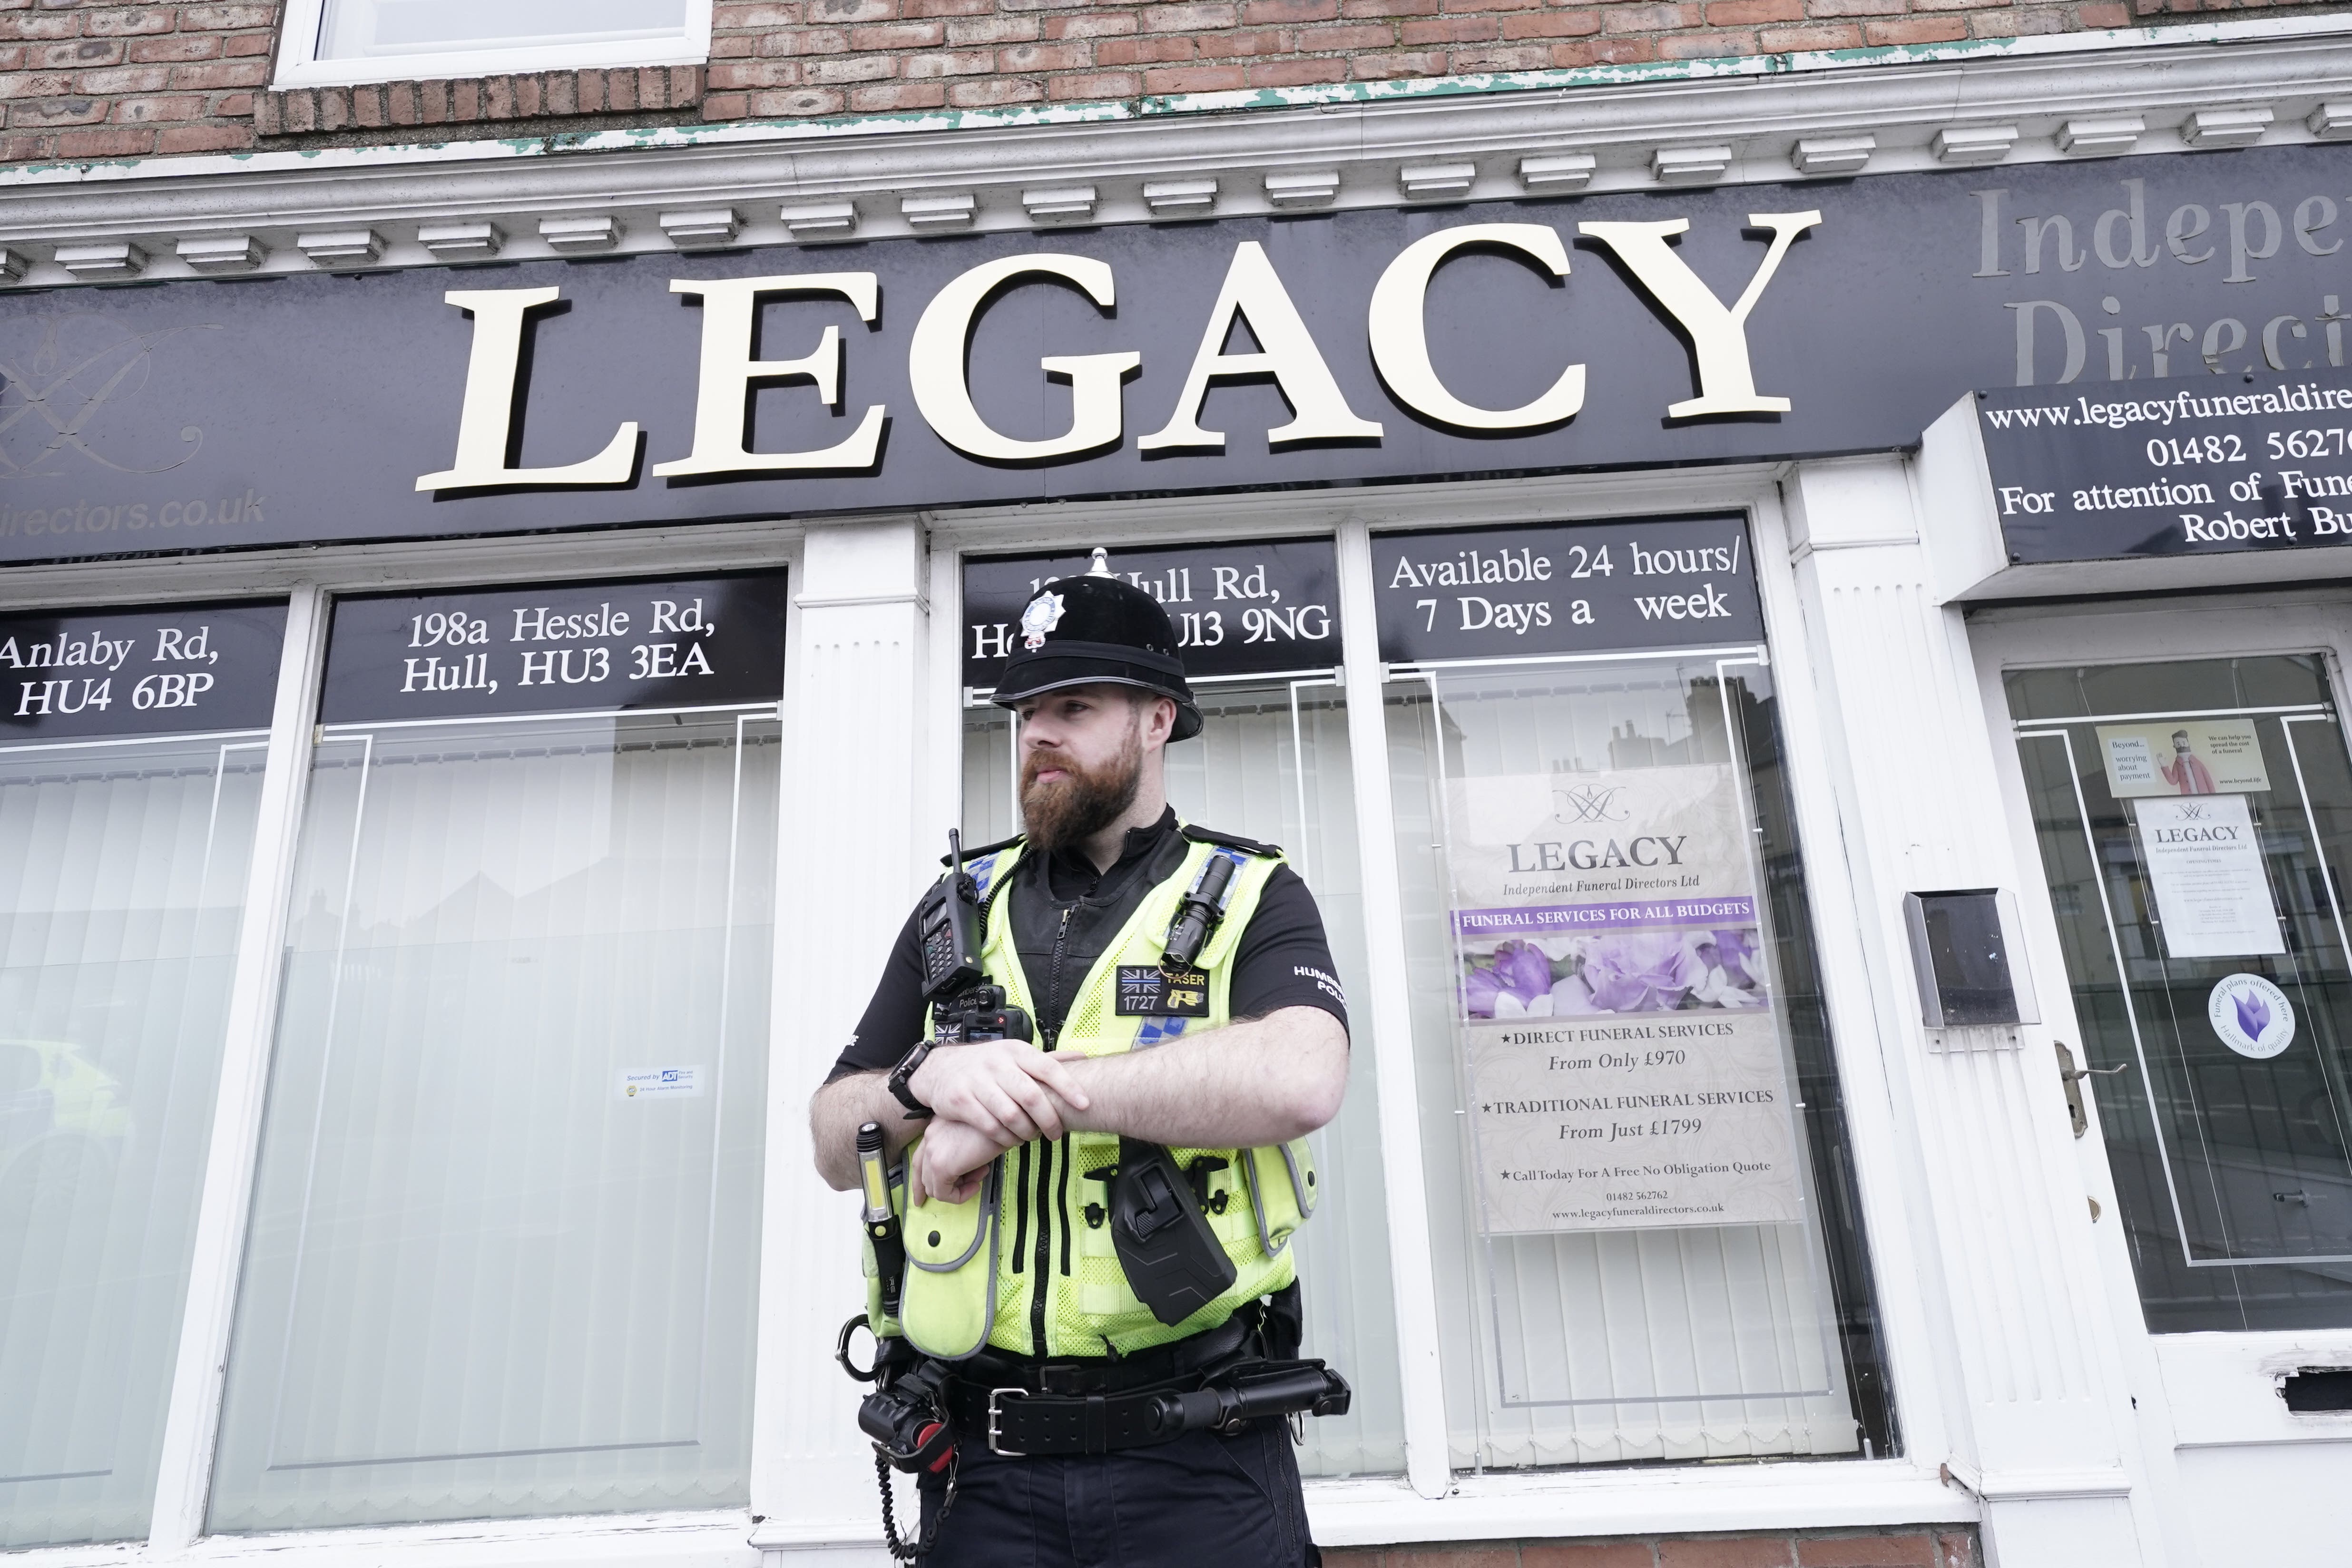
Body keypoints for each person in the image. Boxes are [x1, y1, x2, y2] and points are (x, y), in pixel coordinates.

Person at [810, 553, 1352, 1568]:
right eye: (1026, 710)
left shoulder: (1252, 894)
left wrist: (1034, 1095)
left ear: (1157, 720)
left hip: (1201, 1460)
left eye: (1075, 705)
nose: (1038, 733)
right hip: (983, 1469)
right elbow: (835, 1140)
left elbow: (1303, 1074)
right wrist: (920, 1082)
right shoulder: (952, 908)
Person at [2161, 728, 2217, 794]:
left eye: (2184, 743)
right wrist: (2164, 765)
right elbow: (2173, 781)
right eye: (2178, 744)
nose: (2182, 746)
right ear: (2174, 746)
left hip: (2204, 796)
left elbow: (2208, 779)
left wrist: (2213, 795)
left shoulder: (2196, 762)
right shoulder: (2177, 764)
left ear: (2188, 743)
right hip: (2189, 799)